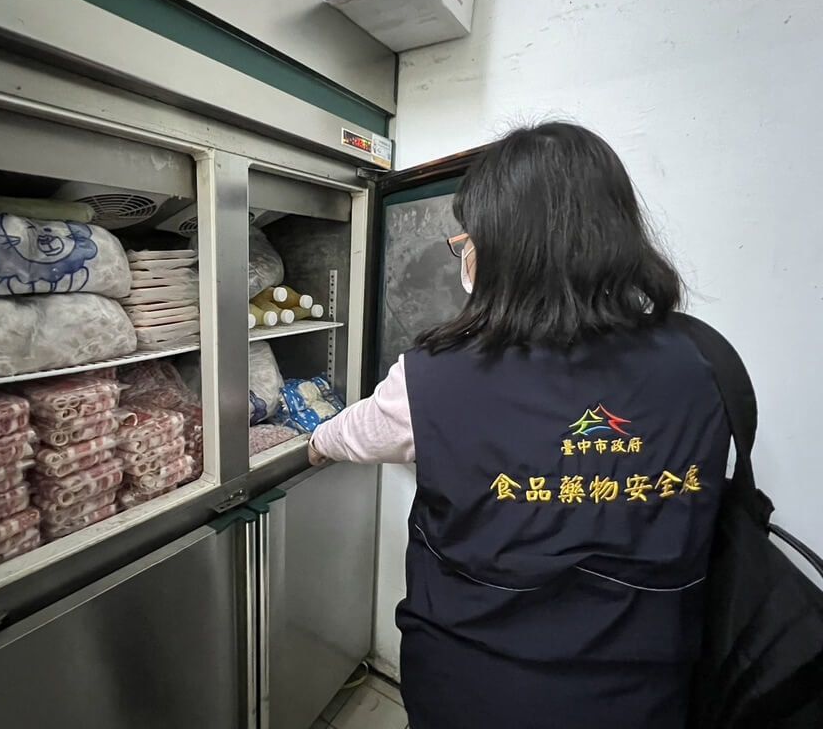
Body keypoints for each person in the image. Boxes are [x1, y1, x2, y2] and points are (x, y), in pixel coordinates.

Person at [309, 122, 730, 729]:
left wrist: (315, 443)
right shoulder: (708, 361)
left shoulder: (436, 376)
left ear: (505, 249)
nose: (465, 252)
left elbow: (354, 432)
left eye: (468, 239)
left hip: (473, 684)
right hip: (646, 687)